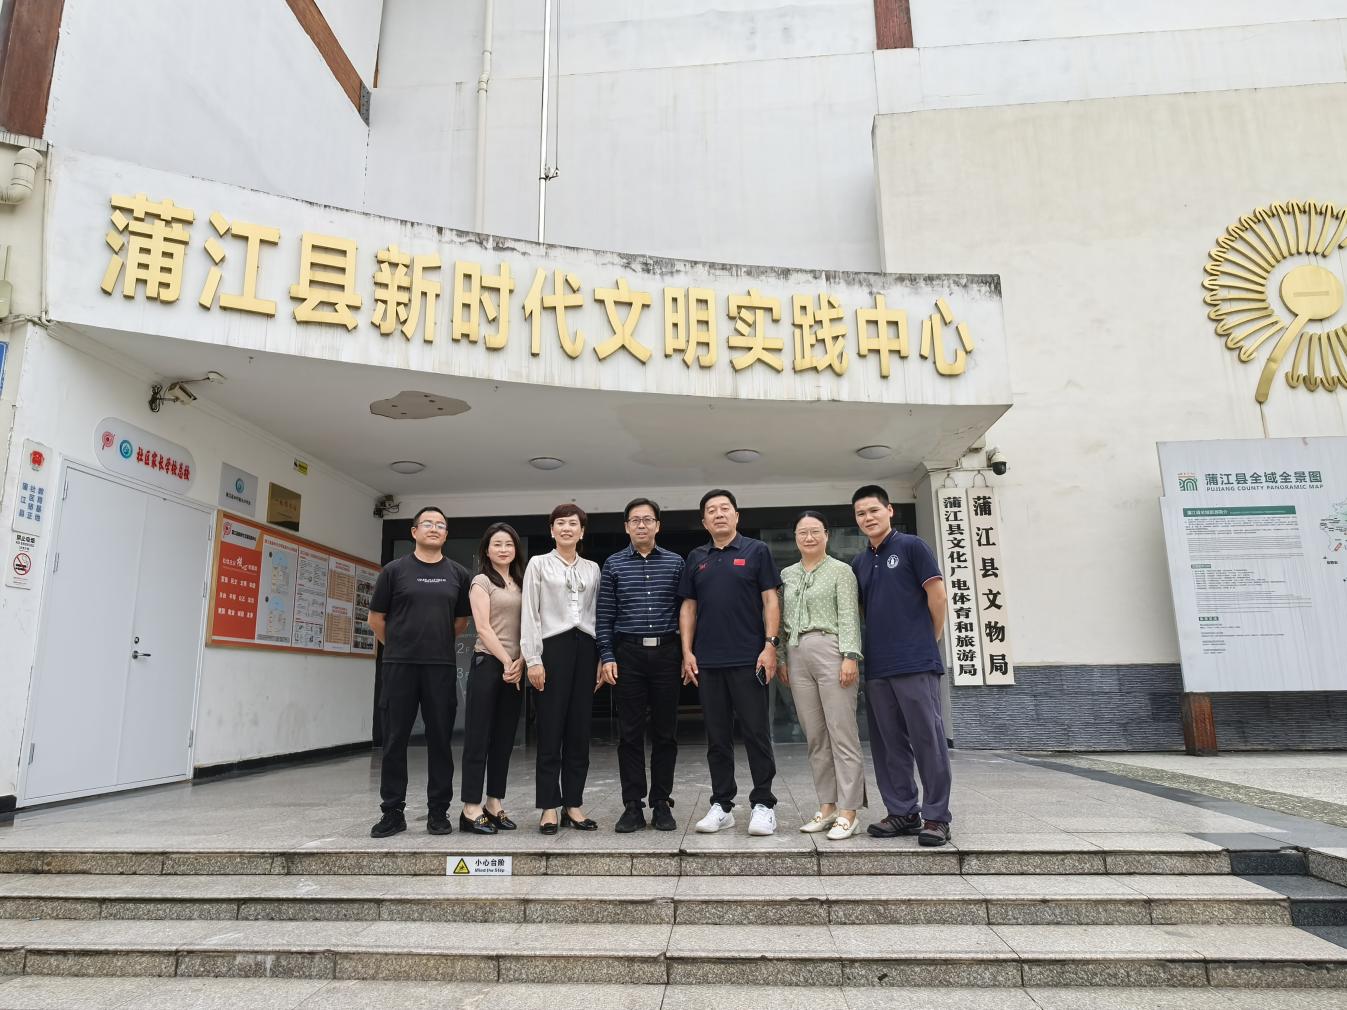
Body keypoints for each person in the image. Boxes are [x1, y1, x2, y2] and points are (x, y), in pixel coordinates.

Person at [850, 485, 953, 847]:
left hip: (915, 662)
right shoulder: (860, 562)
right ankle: (903, 811)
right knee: (888, 743)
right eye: (861, 513)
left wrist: (929, 638)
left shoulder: (912, 546)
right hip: (879, 665)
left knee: (928, 739)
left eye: (874, 510)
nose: (868, 518)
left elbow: (938, 595)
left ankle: (937, 817)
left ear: (890, 510)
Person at [679, 489, 784, 836]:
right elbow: (688, 607)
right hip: (708, 662)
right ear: (704, 521)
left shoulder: (757, 551)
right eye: (712, 510)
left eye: (725, 508)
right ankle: (722, 805)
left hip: (749, 658)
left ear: (737, 516)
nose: (719, 514)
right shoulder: (696, 557)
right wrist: (687, 651)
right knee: (717, 737)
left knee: (756, 733)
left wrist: (770, 645)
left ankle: (764, 804)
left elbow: (770, 600)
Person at [367, 506, 471, 838]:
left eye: (441, 524)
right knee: (395, 739)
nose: (434, 528)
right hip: (399, 666)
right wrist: (399, 645)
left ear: (446, 534)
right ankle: (392, 812)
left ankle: (438, 812)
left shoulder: (458, 573)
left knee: (440, 740)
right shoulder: (394, 571)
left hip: (440, 667)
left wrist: (433, 643)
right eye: (427, 523)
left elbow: (460, 622)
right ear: (414, 532)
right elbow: (376, 619)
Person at [597, 498, 686, 833]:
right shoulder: (614, 564)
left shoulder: (676, 562)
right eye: (635, 520)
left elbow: (686, 612)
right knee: (630, 734)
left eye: (648, 519)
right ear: (626, 527)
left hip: (667, 653)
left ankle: (661, 802)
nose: (641, 525)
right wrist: (607, 655)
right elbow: (604, 615)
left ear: (658, 525)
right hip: (628, 655)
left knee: (666, 733)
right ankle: (632, 805)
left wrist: (686, 653)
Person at [779, 510, 865, 841]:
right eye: (803, 532)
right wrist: (782, 658)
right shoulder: (787, 574)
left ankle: (849, 811)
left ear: (826, 535)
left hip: (831, 649)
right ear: (796, 537)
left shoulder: (841, 571)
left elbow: (849, 616)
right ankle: (827, 806)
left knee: (842, 733)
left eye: (815, 531)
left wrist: (850, 656)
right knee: (815, 735)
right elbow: (781, 620)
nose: (809, 537)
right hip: (797, 653)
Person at [521, 503, 602, 834]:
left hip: (586, 647)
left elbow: (597, 614)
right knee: (550, 729)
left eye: (573, 524)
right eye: (560, 523)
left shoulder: (593, 568)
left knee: (579, 731)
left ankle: (574, 804)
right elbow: (530, 612)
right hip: (552, 648)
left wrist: (601, 657)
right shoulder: (538, 564)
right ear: (551, 530)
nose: (567, 528)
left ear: (582, 532)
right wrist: (533, 659)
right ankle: (548, 807)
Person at [459, 523, 526, 835]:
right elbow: (483, 628)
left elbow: (530, 626)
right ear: (486, 550)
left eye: (508, 544)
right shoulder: (481, 582)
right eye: (497, 544)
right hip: (488, 663)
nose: (503, 549)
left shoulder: (522, 582)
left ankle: (493, 803)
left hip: (516, 668)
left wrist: (522, 660)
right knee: (478, 737)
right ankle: (470, 808)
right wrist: (507, 661)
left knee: (504, 739)